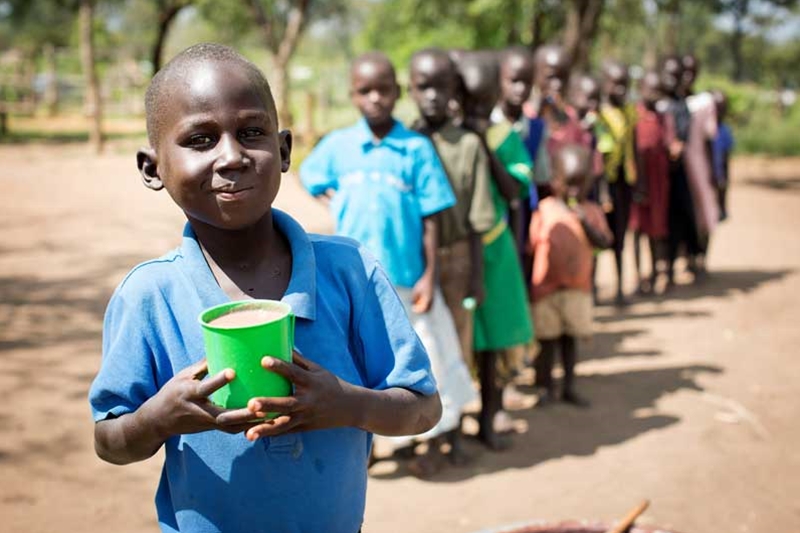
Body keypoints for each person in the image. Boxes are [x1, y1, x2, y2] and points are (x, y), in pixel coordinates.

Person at [88, 43, 442, 533]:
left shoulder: (349, 271)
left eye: (251, 132)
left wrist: (345, 403)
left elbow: (423, 408)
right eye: (200, 140)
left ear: (283, 150)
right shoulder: (150, 296)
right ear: (152, 168)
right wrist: (157, 418)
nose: (231, 156)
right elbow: (110, 440)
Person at [299, 52, 473, 475]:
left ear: (398, 93)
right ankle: (368, 441)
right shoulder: (339, 146)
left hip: (406, 278)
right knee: (359, 361)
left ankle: (431, 438)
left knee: (427, 354)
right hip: (353, 283)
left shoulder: (415, 148)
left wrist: (430, 275)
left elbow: (432, 217)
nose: (375, 98)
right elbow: (309, 174)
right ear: (352, 95)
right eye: (365, 91)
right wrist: (333, 201)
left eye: (383, 90)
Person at [406, 47, 492, 472]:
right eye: (424, 87)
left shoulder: (469, 144)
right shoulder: (404, 140)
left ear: (454, 90)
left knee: (456, 345)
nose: (433, 96)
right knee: (420, 346)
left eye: (441, 87)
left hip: (456, 259)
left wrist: (476, 276)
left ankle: (454, 433)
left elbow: (477, 222)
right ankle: (421, 434)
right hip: (412, 261)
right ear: (410, 90)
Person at [456, 50, 535, 449]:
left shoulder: (504, 138)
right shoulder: (450, 138)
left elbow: (515, 190)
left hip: (494, 248)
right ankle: (457, 420)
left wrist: (485, 147)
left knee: (494, 342)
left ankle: (490, 416)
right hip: (457, 251)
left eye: (482, 103)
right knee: (460, 339)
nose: (474, 111)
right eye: (467, 103)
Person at [529, 144, 613, 407]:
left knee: (570, 340)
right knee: (546, 341)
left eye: (581, 184)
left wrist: (585, 222)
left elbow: (604, 242)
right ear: (556, 181)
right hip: (546, 290)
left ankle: (569, 385)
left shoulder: (591, 211)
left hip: (577, 289)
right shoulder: (544, 210)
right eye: (570, 184)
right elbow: (531, 247)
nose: (575, 191)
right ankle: (544, 386)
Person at [494, 46, 550, 279]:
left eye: (527, 82)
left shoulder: (536, 128)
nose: (520, 89)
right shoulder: (486, 128)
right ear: (498, 80)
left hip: (524, 218)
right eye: (513, 81)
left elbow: (542, 178)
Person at [597, 60, 640, 306]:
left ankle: (620, 288)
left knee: (621, 237)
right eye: (616, 84)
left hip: (624, 182)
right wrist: (603, 192)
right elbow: (598, 157)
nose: (621, 89)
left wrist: (639, 182)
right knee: (599, 234)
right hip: (605, 184)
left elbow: (634, 148)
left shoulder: (630, 112)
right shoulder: (599, 114)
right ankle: (592, 288)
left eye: (625, 84)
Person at [660, 55, 701, 287]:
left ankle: (679, 264)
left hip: (675, 174)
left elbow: (680, 140)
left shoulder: (680, 104)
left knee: (678, 219)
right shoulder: (653, 101)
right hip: (654, 175)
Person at [630, 71, 671, 294]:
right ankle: (638, 277)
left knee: (656, 231)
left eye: (658, 90)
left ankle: (656, 273)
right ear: (641, 88)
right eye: (650, 89)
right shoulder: (634, 116)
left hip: (658, 185)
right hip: (639, 185)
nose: (654, 95)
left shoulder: (661, 118)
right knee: (637, 231)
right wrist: (639, 184)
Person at [681, 54, 720, 277]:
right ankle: (687, 257)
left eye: (691, 71)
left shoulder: (704, 102)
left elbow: (709, 140)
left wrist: (714, 170)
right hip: (679, 171)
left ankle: (702, 258)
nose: (687, 76)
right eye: (684, 71)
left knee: (705, 212)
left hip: (699, 165)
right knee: (686, 214)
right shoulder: (672, 102)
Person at [711, 89, 734, 221]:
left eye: (722, 108)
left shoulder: (725, 132)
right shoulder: (697, 128)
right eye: (716, 108)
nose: (719, 112)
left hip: (717, 181)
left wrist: (723, 204)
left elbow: (725, 162)